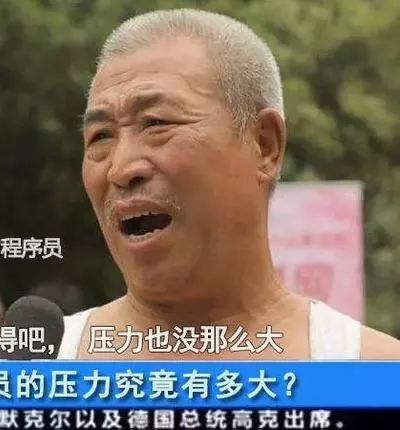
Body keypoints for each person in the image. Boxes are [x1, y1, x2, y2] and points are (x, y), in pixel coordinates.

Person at [59, 9, 400, 360]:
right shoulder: (38, 369)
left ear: (264, 145)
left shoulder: (374, 371)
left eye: (156, 123)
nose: (121, 169)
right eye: (101, 136)